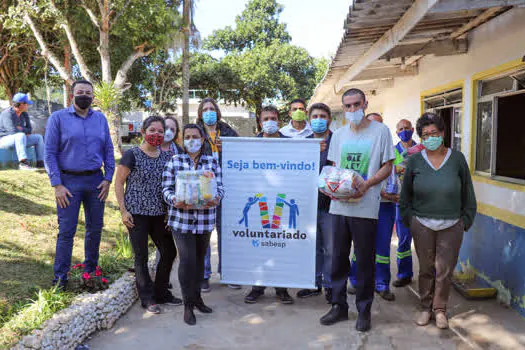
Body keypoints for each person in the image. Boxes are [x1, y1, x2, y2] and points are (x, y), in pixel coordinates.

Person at [320, 88, 395, 332]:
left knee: (364, 263)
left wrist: (368, 184)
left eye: (356, 105)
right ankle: (338, 307)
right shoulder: (339, 134)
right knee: (338, 261)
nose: (352, 110)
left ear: (365, 103)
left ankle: (364, 311)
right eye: (348, 106)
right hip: (339, 206)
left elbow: (387, 166)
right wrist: (328, 186)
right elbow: (333, 168)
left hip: (366, 208)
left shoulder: (380, 131)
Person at [400, 112, 476, 329]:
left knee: (444, 270)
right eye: (425, 135)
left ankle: (440, 309)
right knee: (425, 268)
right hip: (422, 223)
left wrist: (465, 220)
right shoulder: (414, 160)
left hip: (452, 223)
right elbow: (405, 195)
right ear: (421, 138)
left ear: (442, 133)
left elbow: (468, 191)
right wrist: (410, 220)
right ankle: (425, 307)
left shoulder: (457, 158)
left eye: (434, 132)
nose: (430, 137)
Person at [44, 80, 115, 289]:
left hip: (96, 182)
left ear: (93, 97)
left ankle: (90, 273)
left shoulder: (100, 119)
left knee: (95, 229)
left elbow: (109, 151)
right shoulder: (57, 119)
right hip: (68, 183)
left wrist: (108, 178)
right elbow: (49, 153)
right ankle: (60, 279)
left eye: (88, 93)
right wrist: (57, 184)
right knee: (67, 231)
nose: (84, 95)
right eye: (80, 92)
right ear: (72, 95)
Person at [115, 116, 181, 314]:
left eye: (160, 132)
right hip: (136, 214)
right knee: (141, 256)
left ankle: (161, 292)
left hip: (160, 214)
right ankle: (147, 298)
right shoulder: (131, 155)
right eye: (152, 130)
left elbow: (170, 186)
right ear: (143, 132)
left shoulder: (167, 158)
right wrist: (123, 211)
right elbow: (118, 183)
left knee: (169, 252)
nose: (156, 135)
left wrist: (170, 213)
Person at [162, 123, 224, 326]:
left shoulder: (212, 162)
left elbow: (221, 187)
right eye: (187, 137)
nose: (191, 140)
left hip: (205, 221)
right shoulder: (174, 161)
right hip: (181, 220)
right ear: (182, 140)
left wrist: (216, 198)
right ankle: (188, 305)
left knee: (198, 262)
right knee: (187, 261)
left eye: (195, 136)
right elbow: (166, 189)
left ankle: (197, 299)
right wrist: (174, 200)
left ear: (203, 139)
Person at [244, 105, 294, 305]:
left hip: (281, 197)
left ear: (279, 121)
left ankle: (282, 289)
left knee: (280, 243)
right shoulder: (250, 144)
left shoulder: (292, 144)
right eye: (266, 118)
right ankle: (258, 287)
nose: (270, 121)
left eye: (273, 118)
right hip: (260, 198)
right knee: (261, 243)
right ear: (260, 121)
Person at [348, 113, 397, 302]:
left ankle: (382, 284)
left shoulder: (391, 149)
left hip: (384, 206)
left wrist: (392, 194)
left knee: (383, 247)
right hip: (361, 203)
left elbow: (396, 175)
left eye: (379, 124)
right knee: (360, 246)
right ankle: (355, 280)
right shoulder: (358, 148)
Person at [196, 97, 239, 292]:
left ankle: (228, 272)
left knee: (226, 232)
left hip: (227, 187)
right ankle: (204, 275)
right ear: (200, 113)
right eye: (205, 109)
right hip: (203, 187)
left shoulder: (229, 132)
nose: (209, 112)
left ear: (218, 111)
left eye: (212, 108)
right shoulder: (195, 132)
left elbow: (241, 155)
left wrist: (228, 149)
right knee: (204, 233)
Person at [295, 102, 334, 301]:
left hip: (331, 206)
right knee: (312, 247)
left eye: (322, 116)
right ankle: (314, 283)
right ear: (309, 121)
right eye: (315, 116)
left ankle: (330, 286)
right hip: (308, 206)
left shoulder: (338, 141)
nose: (319, 120)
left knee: (331, 248)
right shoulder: (304, 142)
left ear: (330, 119)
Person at [392, 118, 417, 288]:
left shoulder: (421, 150)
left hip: (423, 202)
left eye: (407, 128)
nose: (404, 130)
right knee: (403, 241)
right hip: (401, 203)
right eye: (401, 128)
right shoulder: (392, 151)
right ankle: (404, 274)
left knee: (427, 243)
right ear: (396, 132)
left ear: (413, 129)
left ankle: (430, 278)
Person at [0, 93, 45, 170]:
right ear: (20, 104)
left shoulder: (24, 114)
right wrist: (23, 130)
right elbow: (12, 131)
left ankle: (40, 163)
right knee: (20, 135)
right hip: (4, 140)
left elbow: (29, 130)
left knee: (38, 137)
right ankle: (23, 163)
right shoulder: (7, 114)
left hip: (20, 139)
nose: (28, 105)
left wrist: (21, 129)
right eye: (27, 104)